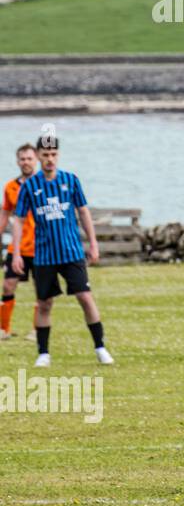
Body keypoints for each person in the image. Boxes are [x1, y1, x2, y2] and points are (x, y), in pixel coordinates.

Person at [0, 134, 113, 367]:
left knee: (85, 297)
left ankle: (100, 347)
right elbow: (19, 220)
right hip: (44, 255)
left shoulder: (71, 181)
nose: (50, 159)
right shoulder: (29, 186)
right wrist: (17, 252)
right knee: (44, 303)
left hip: (71, 252)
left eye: (53, 155)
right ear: (39, 156)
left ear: (58, 155)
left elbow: (83, 212)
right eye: (46, 155)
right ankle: (43, 353)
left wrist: (93, 243)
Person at [1, 144, 39, 342]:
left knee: (41, 290)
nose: (26, 162)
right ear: (17, 162)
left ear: (37, 160)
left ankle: (37, 330)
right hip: (17, 247)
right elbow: (5, 214)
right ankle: (4, 329)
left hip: (40, 246)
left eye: (29, 158)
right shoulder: (10, 187)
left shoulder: (45, 185)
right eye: (22, 159)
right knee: (7, 286)